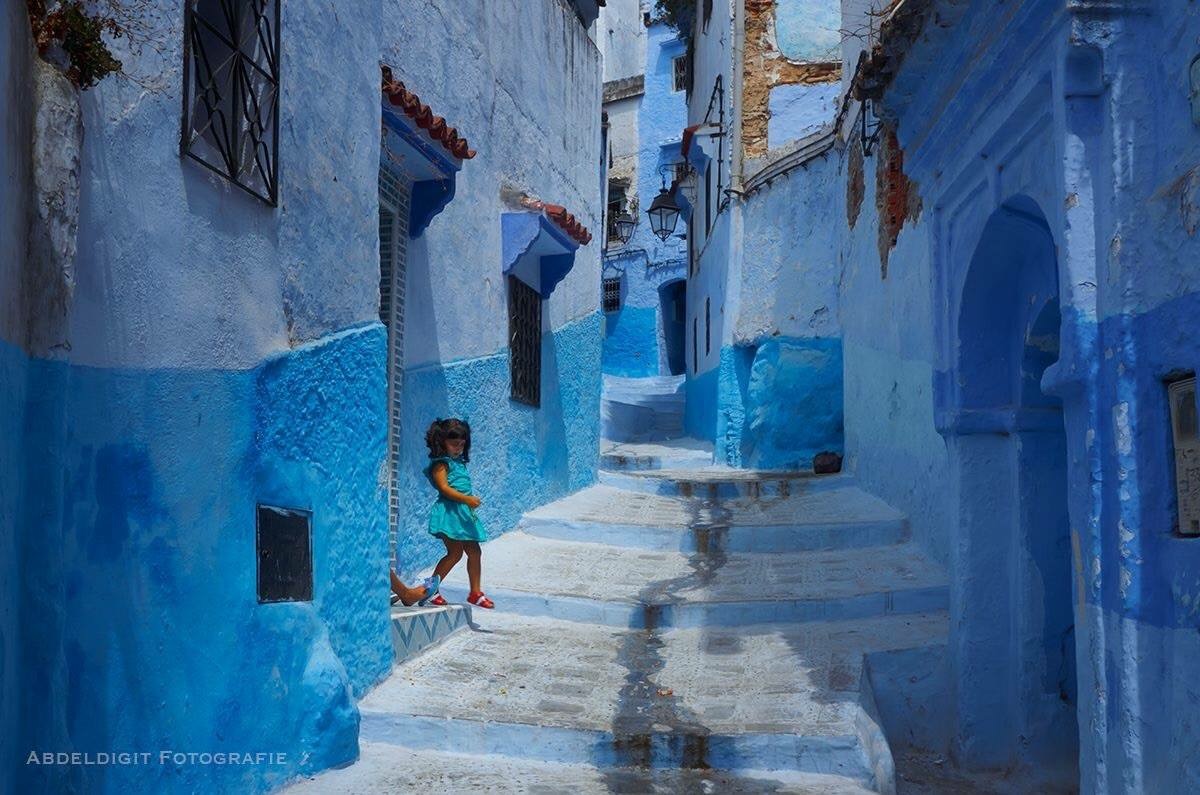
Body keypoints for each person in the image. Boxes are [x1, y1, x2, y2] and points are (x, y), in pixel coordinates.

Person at [423, 418, 494, 609]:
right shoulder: (441, 464)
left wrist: (467, 504)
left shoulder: (459, 463)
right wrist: (467, 499)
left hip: (463, 514)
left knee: (474, 552)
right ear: (441, 442)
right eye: (454, 444)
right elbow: (444, 488)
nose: (458, 448)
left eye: (462, 444)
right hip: (449, 513)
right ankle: (429, 589)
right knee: (454, 553)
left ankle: (475, 592)